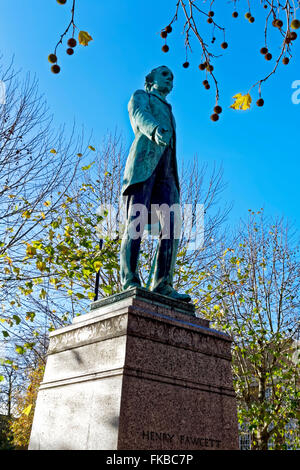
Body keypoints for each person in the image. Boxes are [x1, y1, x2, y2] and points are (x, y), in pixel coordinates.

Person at [120, 65, 191, 302]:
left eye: (172, 77)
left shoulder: (169, 110)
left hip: (167, 172)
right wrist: (155, 129)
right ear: (150, 79)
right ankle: (129, 279)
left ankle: (162, 284)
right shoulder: (141, 96)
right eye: (165, 74)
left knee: (173, 226)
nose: (170, 79)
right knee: (136, 223)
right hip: (142, 167)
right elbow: (140, 116)